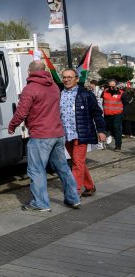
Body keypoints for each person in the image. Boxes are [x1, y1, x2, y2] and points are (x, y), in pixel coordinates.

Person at [8, 61, 80, 211]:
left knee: (36, 170)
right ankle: (73, 198)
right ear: (44, 70)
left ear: (30, 71)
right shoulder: (54, 86)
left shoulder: (30, 89)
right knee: (63, 168)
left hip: (41, 135)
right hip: (57, 133)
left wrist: (12, 125)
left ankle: (40, 203)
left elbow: (21, 112)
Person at [59, 69, 107, 197]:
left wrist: (101, 130)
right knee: (77, 161)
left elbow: (97, 113)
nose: (66, 80)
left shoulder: (86, 94)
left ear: (77, 79)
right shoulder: (59, 94)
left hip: (81, 134)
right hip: (66, 134)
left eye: (69, 77)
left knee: (77, 163)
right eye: (64, 77)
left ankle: (74, 193)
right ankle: (90, 186)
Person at [102, 80, 124, 151]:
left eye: (113, 86)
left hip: (117, 115)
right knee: (109, 129)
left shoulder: (121, 93)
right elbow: (102, 102)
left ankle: (118, 146)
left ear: (116, 86)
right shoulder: (105, 92)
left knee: (116, 129)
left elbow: (126, 104)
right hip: (107, 115)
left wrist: (123, 113)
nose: (111, 87)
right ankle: (107, 140)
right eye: (110, 86)